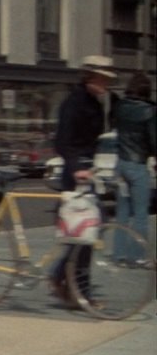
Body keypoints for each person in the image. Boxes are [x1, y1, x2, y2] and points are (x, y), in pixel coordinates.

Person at [49, 55, 116, 308]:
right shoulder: (74, 103)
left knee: (85, 231)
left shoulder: (97, 103)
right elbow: (63, 142)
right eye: (101, 78)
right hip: (75, 172)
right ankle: (79, 290)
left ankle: (61, 279)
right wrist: (77, 168)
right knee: (86, 231)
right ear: (88, 76)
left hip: (88, 170)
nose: (105, 83)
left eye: (108, 79)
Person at [112, 72, 155, 267]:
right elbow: (154, 141)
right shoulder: (150, 111)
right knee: (140, 214)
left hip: (120, 164)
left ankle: (119, 255)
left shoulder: (119, 106)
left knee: (122, 212)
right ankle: (138, 256)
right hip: (138, 165)